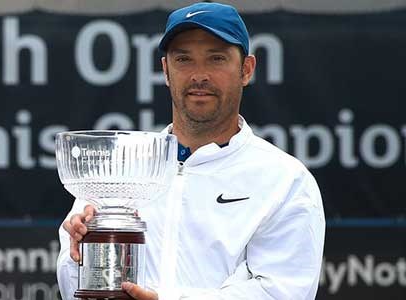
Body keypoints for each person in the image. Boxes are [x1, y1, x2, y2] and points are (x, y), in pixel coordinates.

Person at [57, 2, 325, 300]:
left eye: (216, 58)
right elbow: (74, 289)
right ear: (166, 70)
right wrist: (81, 255)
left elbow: (282, 293)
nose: (199, 75)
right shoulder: (120, 165)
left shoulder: (284, 180)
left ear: (246, 69)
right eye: (184, 59)